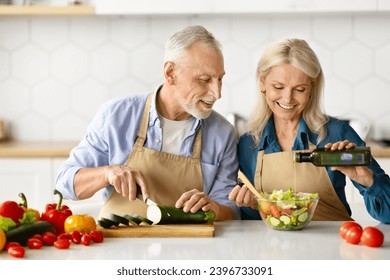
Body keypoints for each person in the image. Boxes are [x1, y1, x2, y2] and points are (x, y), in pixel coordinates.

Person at [55, 25, 239, 220]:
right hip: (119, 245)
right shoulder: (116, 116)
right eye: (204, 79)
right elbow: (64, 184)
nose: (217, 93)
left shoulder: (222, 133)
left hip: (188, 248)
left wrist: (216, 209)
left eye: (219, 79)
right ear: (170, 73)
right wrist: (107, 173)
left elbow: (232, 210)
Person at [228, 38, 390, 223]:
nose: (288, 99)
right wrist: (250, 204)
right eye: (278, 87)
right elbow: (251, 223)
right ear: (262, 81)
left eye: (299, 89)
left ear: (312, 88)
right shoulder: (249, 143)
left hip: (333, 248)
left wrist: (368, 180)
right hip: (272, 249)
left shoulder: (337, 134)